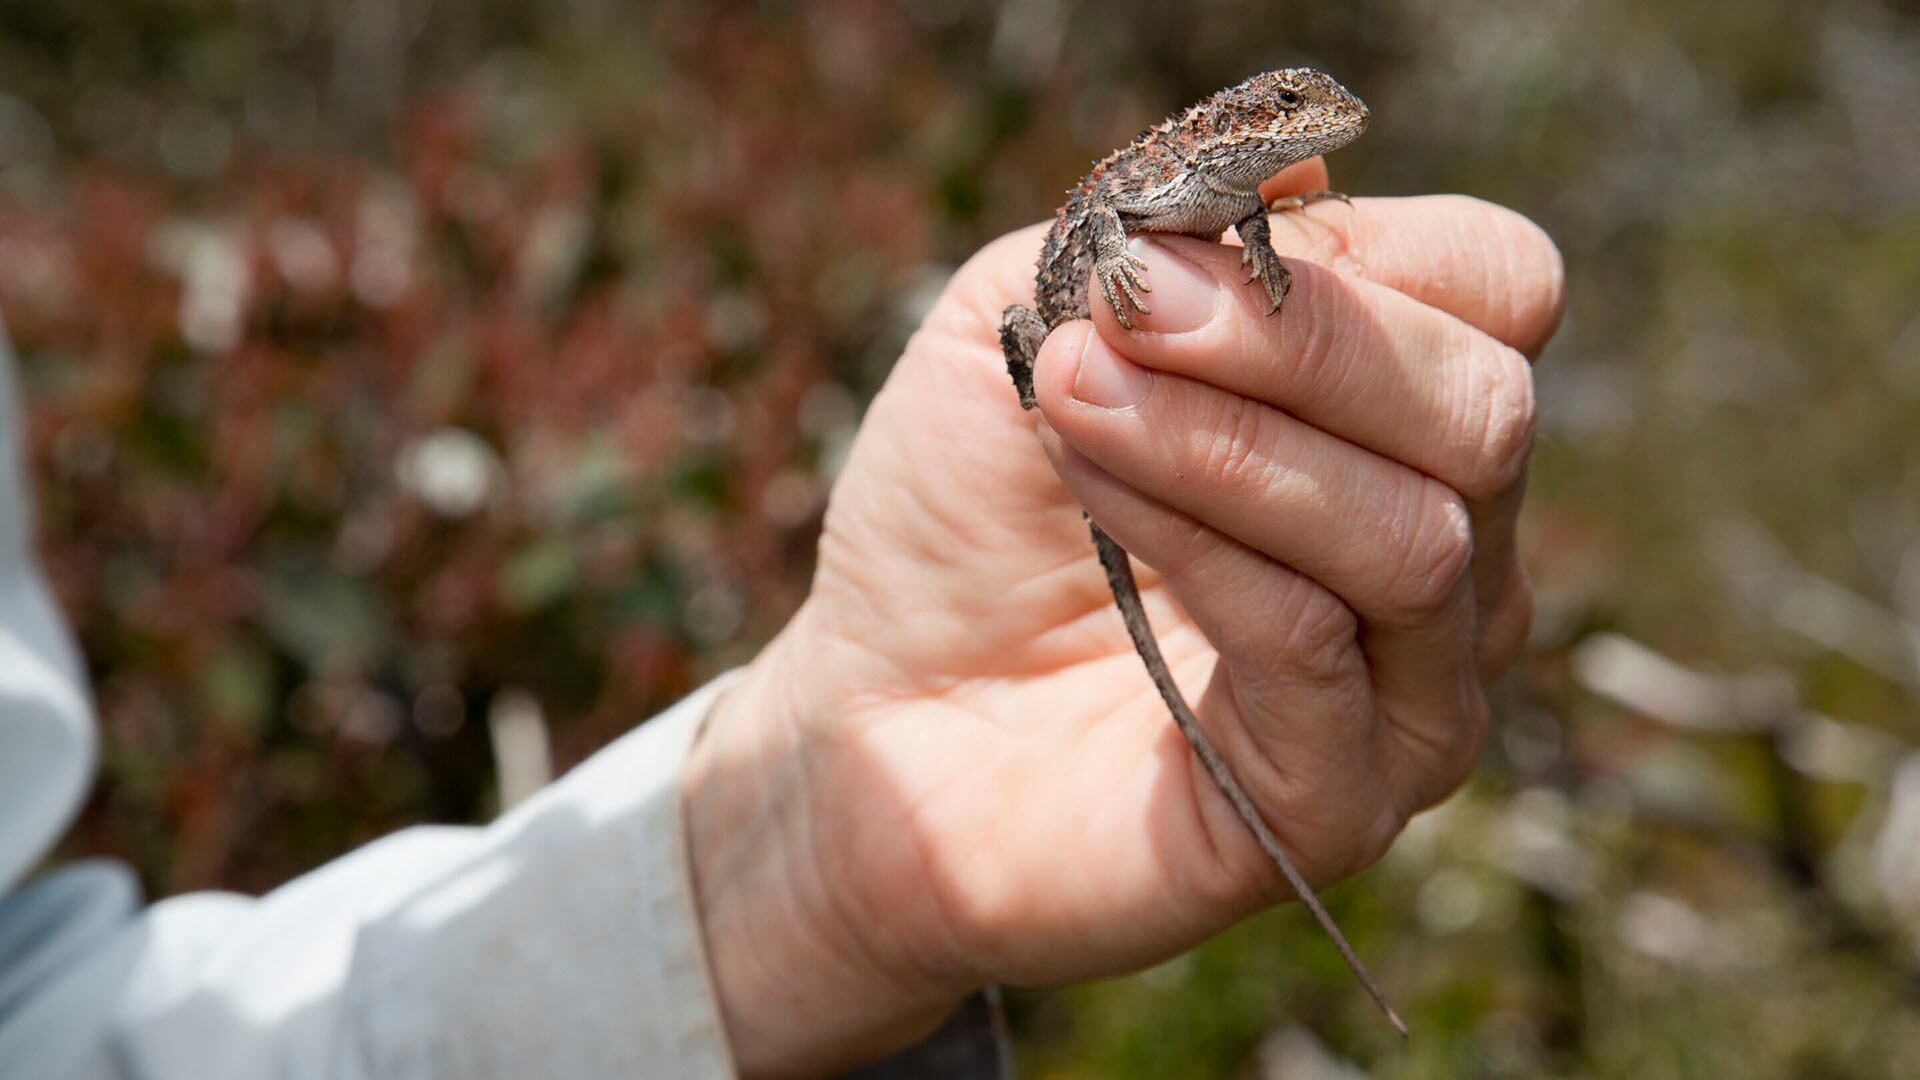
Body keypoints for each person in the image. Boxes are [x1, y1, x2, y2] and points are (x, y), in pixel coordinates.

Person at [0, 157, 1561, 1078]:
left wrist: (799, 859)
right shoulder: (1196, 166)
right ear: (1262, 133)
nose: (1319, 142)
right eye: (1303, 126)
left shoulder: (1247, 191)